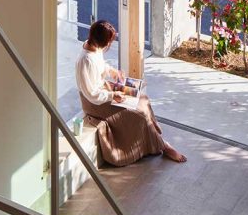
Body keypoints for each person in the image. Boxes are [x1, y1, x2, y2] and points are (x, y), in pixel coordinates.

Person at [74, 20, 186, 165]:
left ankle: (155, 138)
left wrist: (112, 72)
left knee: (142, 98)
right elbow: (91, 94)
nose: (109, 45)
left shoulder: (93, 46)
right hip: (94, 102)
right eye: (108, 42)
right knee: (138, 114)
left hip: (103, 91)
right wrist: (113, 95)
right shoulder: (85, 60)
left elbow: (99, 67)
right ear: (101, 41)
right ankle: (163, 145)